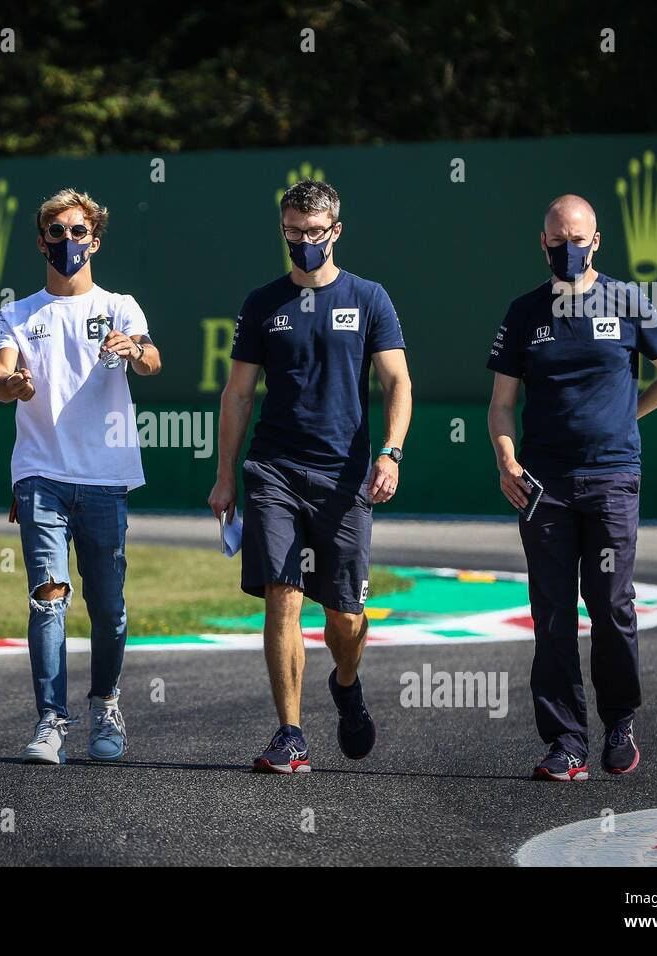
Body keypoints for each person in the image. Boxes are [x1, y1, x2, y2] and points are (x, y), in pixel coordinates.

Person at [487, 194, 657, 781]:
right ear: (543, 244)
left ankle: (620, 722)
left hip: (611, 479)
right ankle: (566, 742)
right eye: (558, 242)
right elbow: (502, 404)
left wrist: (628, 417)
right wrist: (506, 460)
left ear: (597, 241)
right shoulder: (524, 312)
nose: (568, 251)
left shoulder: (629, 301)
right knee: (551, 614)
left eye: (578, 240)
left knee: (612, 606)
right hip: (542, 486)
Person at [208, 180, 412, 773]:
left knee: (345, 616)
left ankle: (346, 683)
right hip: (273, 471)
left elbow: (397, 382)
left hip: (345, 479)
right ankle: (290, 733)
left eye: (313, 233)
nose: (303, 243)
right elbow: (239, 394)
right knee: (282, 594)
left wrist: (391, 452)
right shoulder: (261, 302)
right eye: (292, 233)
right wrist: (225, 476)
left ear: (336, 231)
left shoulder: (369, 298)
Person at [0, 188, 162, 765]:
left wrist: (134, 349)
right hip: (40, 473)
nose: (69, 242)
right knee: (47, 599)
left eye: (79, 232)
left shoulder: (121, 306)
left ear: (95, 239)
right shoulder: (17, 311)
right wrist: (13, 385)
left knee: (108, 608)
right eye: (57, 233)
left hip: (106, 477)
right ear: (42, 241)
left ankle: (106, 705)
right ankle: (50, 721)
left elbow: (153, 359)